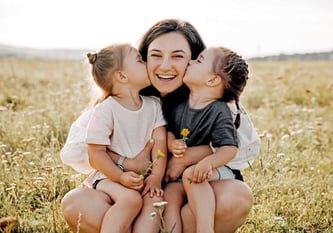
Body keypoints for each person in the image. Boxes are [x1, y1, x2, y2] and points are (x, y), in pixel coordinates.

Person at [61, 19, 253, 233]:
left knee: (236, 195)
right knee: (76, 202)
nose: (165, 66)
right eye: (156, 55)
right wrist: (127, 163)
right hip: (130, 198)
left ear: (193, 60)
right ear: (142, 58)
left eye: (178, 56)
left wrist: (186, 157)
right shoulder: (120, 101)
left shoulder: (213, 102)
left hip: (186, 201)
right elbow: (76, 151)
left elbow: (243, 148)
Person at [162, 46, 249, 233]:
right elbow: (168, 130)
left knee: (192, 176)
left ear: (212, 80)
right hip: (178, 179)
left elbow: (229, 148)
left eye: (199, 60)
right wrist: (171, 143)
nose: (190, 62)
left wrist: (208, 163)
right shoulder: (178, 103)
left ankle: (205, 228)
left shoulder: (218, 110)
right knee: (169, 198)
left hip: (213, 172)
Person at [83, 43, 167, 233]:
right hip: (109, 177)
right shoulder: (106, 110)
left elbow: (160, 144)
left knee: (155, 199)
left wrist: (156, 177)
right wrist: (119, 177)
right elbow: (95, 153)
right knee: (130, 199)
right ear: (122, 76)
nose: (146, 63)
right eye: (139, 60)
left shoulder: (154, 105)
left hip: (143, 179)